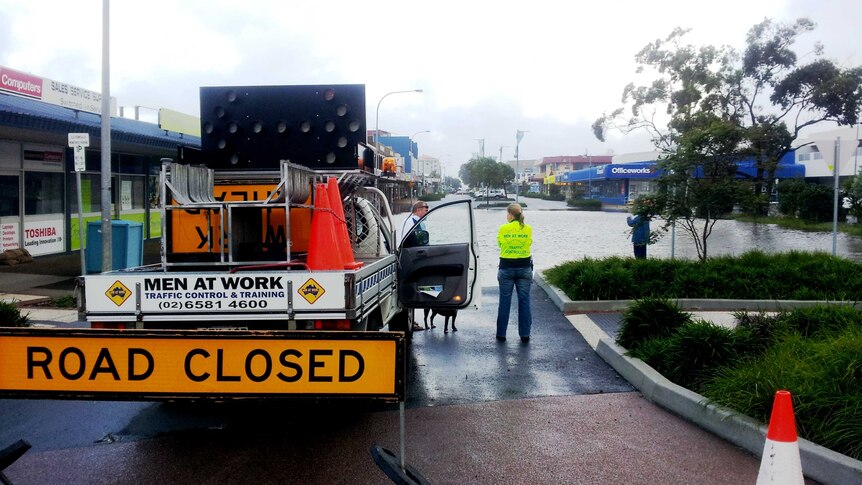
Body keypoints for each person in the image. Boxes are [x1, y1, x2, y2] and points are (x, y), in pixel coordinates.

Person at [496, 203, 533, 343]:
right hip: (524, 268)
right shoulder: (528, 228)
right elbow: (529, 243)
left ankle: (501, 334)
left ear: (510, 214)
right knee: (524, 301)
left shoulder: (503, 228)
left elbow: (500, 244)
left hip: (506, 268)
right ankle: (525, 334)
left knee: (504, 301)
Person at [400, 201, 429, 331]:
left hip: (412, 258)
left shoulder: (414, 221)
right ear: (417, 210)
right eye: (425, 209)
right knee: (409, 291)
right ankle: (409, 322)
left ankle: (411, 321)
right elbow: (409, 242)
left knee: (411, 290)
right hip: (409, 260)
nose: (426, 212)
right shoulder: (411, 222)